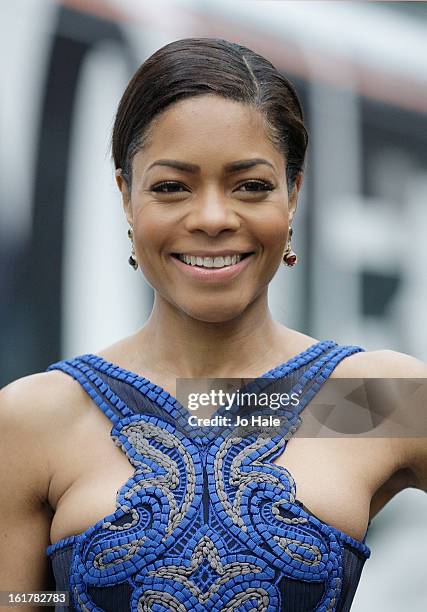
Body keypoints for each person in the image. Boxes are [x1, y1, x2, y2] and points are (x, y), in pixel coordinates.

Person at [0, 37, 426, 612]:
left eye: (251, 185)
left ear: (293, 194)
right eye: (171, 187)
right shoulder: (38, 418)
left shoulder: (365, 398)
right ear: (127, 198)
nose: (213, 218)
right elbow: (18, 597)